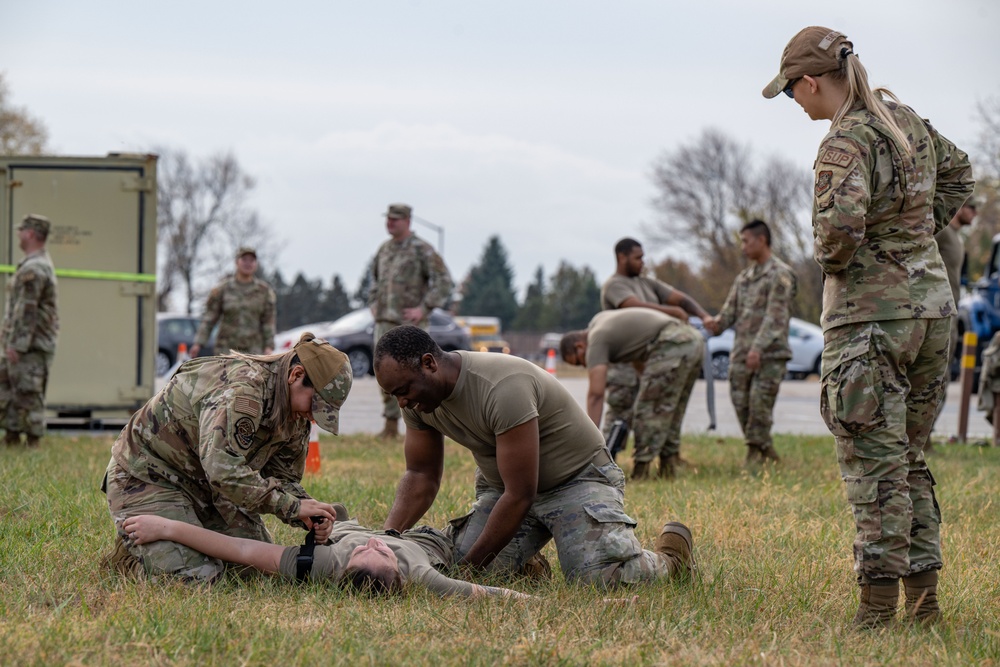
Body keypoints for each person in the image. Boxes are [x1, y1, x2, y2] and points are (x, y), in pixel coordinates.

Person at [763, 26, 974, 627]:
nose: (795, 104)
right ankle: (924, 604)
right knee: (908, 457)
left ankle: (878, 614)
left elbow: (838, 235)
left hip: (869, 320)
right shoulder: (903, 119)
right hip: (931, 312)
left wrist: (864, 259)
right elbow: (960, 176)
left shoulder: (844, 142)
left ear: (810, 82)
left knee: (872, 465)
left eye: (792, 93)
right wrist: (912, 240)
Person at [373, 325, 695, 587]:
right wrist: (385, 542)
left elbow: (521, 494)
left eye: (404, 390)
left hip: (576, 480)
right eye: (394, 395)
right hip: (504, 490)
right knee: (452, 560)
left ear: (430, 364)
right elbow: (421, 476)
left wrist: (466, 576)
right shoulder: (418, 402)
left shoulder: (502, 386)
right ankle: (524, 564)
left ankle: (671, 561)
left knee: (596, 579)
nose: (401, 402)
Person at [103, 333, 353, 583]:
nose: (312, 416)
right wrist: (291, 506)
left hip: (210, 490)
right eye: (315, 404)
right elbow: (222, 470)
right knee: (194, 578)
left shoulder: (296, 414)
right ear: (295, 375)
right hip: (150, 476)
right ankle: (133, 557)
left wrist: (307, 511)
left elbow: (282, 478)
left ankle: (178, 536)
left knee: (257, 573)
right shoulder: (243, 390)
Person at [119, 513, 530, 599]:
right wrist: (533, 601)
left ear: (342, 568)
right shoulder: (424, 575)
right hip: (432, 539)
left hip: (341, 524)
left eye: (363, 554)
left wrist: (167, 528)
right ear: (400, 574)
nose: (374, 545)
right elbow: (488, 594)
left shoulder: (323, 566)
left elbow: (241, 550)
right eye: (380, 554)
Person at [560, 309, 704, 480]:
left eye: (578, 362)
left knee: (647, 411)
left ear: (579, 347)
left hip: (672, 342)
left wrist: (590, 437)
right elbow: (636, 352)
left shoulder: (596, 340)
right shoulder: (599, 322)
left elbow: (596, 394)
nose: (584, 366)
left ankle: (641, 473)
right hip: (692, 339)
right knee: (669, 409)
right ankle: (668, 469)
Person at [600, 237, 711, 444]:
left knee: (655, 411)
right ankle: (605, 461)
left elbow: (681, 299)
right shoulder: (614, 285)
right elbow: (632, 307)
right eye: (637, 258)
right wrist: (673, 312)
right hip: (624, 366)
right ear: (621, 257)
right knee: (620, 414)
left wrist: (705, 317)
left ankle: (664, 454)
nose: (643, 262)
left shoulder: (647, 283)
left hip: (650, 361)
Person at [704, 220, 796, 464]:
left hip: (769, 354)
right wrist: (714, 324)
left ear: (761, 240)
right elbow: (729, 313)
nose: (742, 247)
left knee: (759, 405)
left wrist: (758, 348)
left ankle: (755, 456)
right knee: (740, 402)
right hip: (742, 353)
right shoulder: (744, 278)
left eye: (746, 241)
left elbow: (775, 317)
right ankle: (768, 452)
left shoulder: (780, 274)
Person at [368, 203, 453, 440]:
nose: (390, 223)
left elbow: (444, 281)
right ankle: (391, 424)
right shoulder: (384, 250)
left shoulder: (422, 250)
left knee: (418, 374)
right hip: (385, 322)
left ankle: (423, 426)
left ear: (408, 221)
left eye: (396, 219)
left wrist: (424, 307)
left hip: (410, 326)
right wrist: (373, 303)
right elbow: (374, 280)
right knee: (384, 373)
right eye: (388, 219)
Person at [0, 214, 59, 448]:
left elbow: (27, 311)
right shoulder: (35, 263)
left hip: (31, 345)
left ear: (30, 234)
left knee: (28, 392)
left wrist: (17, 344)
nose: (19, 234)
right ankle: (12, 437)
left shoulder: (34, 268)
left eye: (21, 230)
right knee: (12, 390)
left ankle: (32, 443)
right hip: (28, 343)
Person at [933, 199, 979, 431]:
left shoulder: (957, 238)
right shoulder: (942, 232)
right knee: (935, 374)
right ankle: (922, 434)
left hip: (952, 309)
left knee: (944, 375)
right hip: (937, 309)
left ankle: (925, 434)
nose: (975, 213)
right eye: (972, 207)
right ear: (959, 207)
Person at [191, 247, 276, 358]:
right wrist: (198, 343)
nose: (248, 263)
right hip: (226, 349)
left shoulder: (264, 291)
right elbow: (209, 318)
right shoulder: (223, 289)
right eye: (244, 259)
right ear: (237, 262)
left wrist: (268, 347)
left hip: (253, 350)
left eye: (252, 260)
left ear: (256, 264)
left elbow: (268, 321)